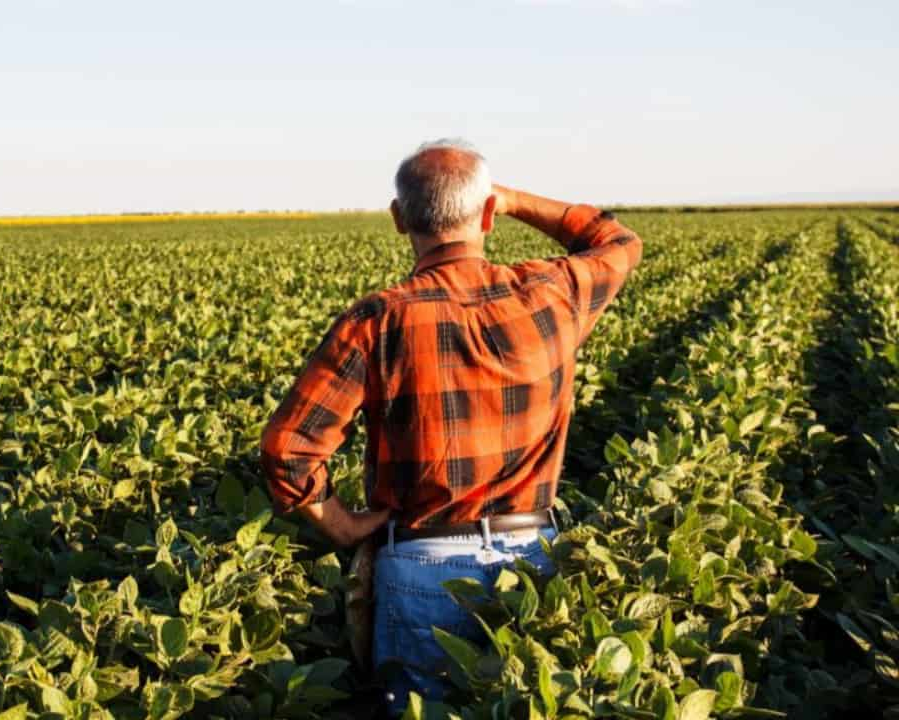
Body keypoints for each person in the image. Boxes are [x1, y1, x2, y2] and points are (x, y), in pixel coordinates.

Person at [259, 139, 643, 712]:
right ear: (488, 214)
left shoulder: (377, 320)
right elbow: (618, 242)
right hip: (531, 563)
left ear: (398, 219)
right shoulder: (551, 294)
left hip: (420, 564)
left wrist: (341, 526)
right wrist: (513, 199)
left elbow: (288, 450)